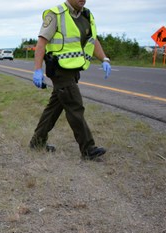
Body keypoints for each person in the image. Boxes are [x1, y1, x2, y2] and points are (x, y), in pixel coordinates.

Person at [30, 0, 111, 160]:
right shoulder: (56, 14)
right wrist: (38, 69)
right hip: (60, 70)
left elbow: (93, 41)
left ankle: (37, 142)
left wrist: (104, 59)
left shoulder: (87, 15)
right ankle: (88, 149)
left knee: (54, 107)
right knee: (75, 106)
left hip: (74, 69)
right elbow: (41, 43)